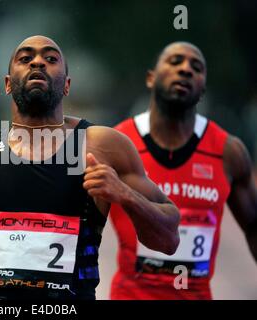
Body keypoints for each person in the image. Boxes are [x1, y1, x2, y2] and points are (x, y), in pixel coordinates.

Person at [0, 35, 180, 300]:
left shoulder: (102, 146)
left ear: (67, 86)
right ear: (7, 84)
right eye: (25, 58)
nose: (37, 63)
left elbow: (168, 240)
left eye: (50, 59)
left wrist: (124, 194)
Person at [109, 42, 257, 300]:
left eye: (196, 67)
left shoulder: (229, 153)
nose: (186, 69)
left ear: (203, 87)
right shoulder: (118, 144)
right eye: (175, 61)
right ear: (151, 78)